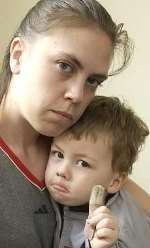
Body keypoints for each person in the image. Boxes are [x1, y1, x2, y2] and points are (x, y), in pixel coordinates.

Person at [0, 0, 149, 247]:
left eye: (92, 81)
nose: (78, 95)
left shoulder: (74, 141)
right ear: (18, 55)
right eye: (65, 66)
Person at [45, 95, 150, 248]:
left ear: (114, 182)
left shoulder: (121, 227)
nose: (61, 171)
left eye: (82, 163)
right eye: (58, 154)